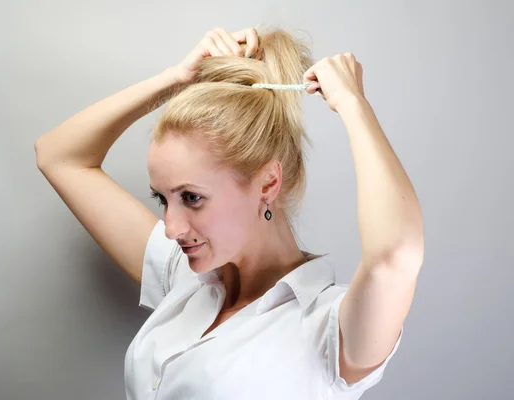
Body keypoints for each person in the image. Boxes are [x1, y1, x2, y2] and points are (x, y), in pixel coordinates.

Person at [35, 26, 424, 400]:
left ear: (268, 184)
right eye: (163, 199)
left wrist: (354, 105)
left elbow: (396, 255)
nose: (171, 228)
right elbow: (59, 156)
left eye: (191, 197)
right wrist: (177, 80)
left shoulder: (329, 330)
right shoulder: (186, 277)